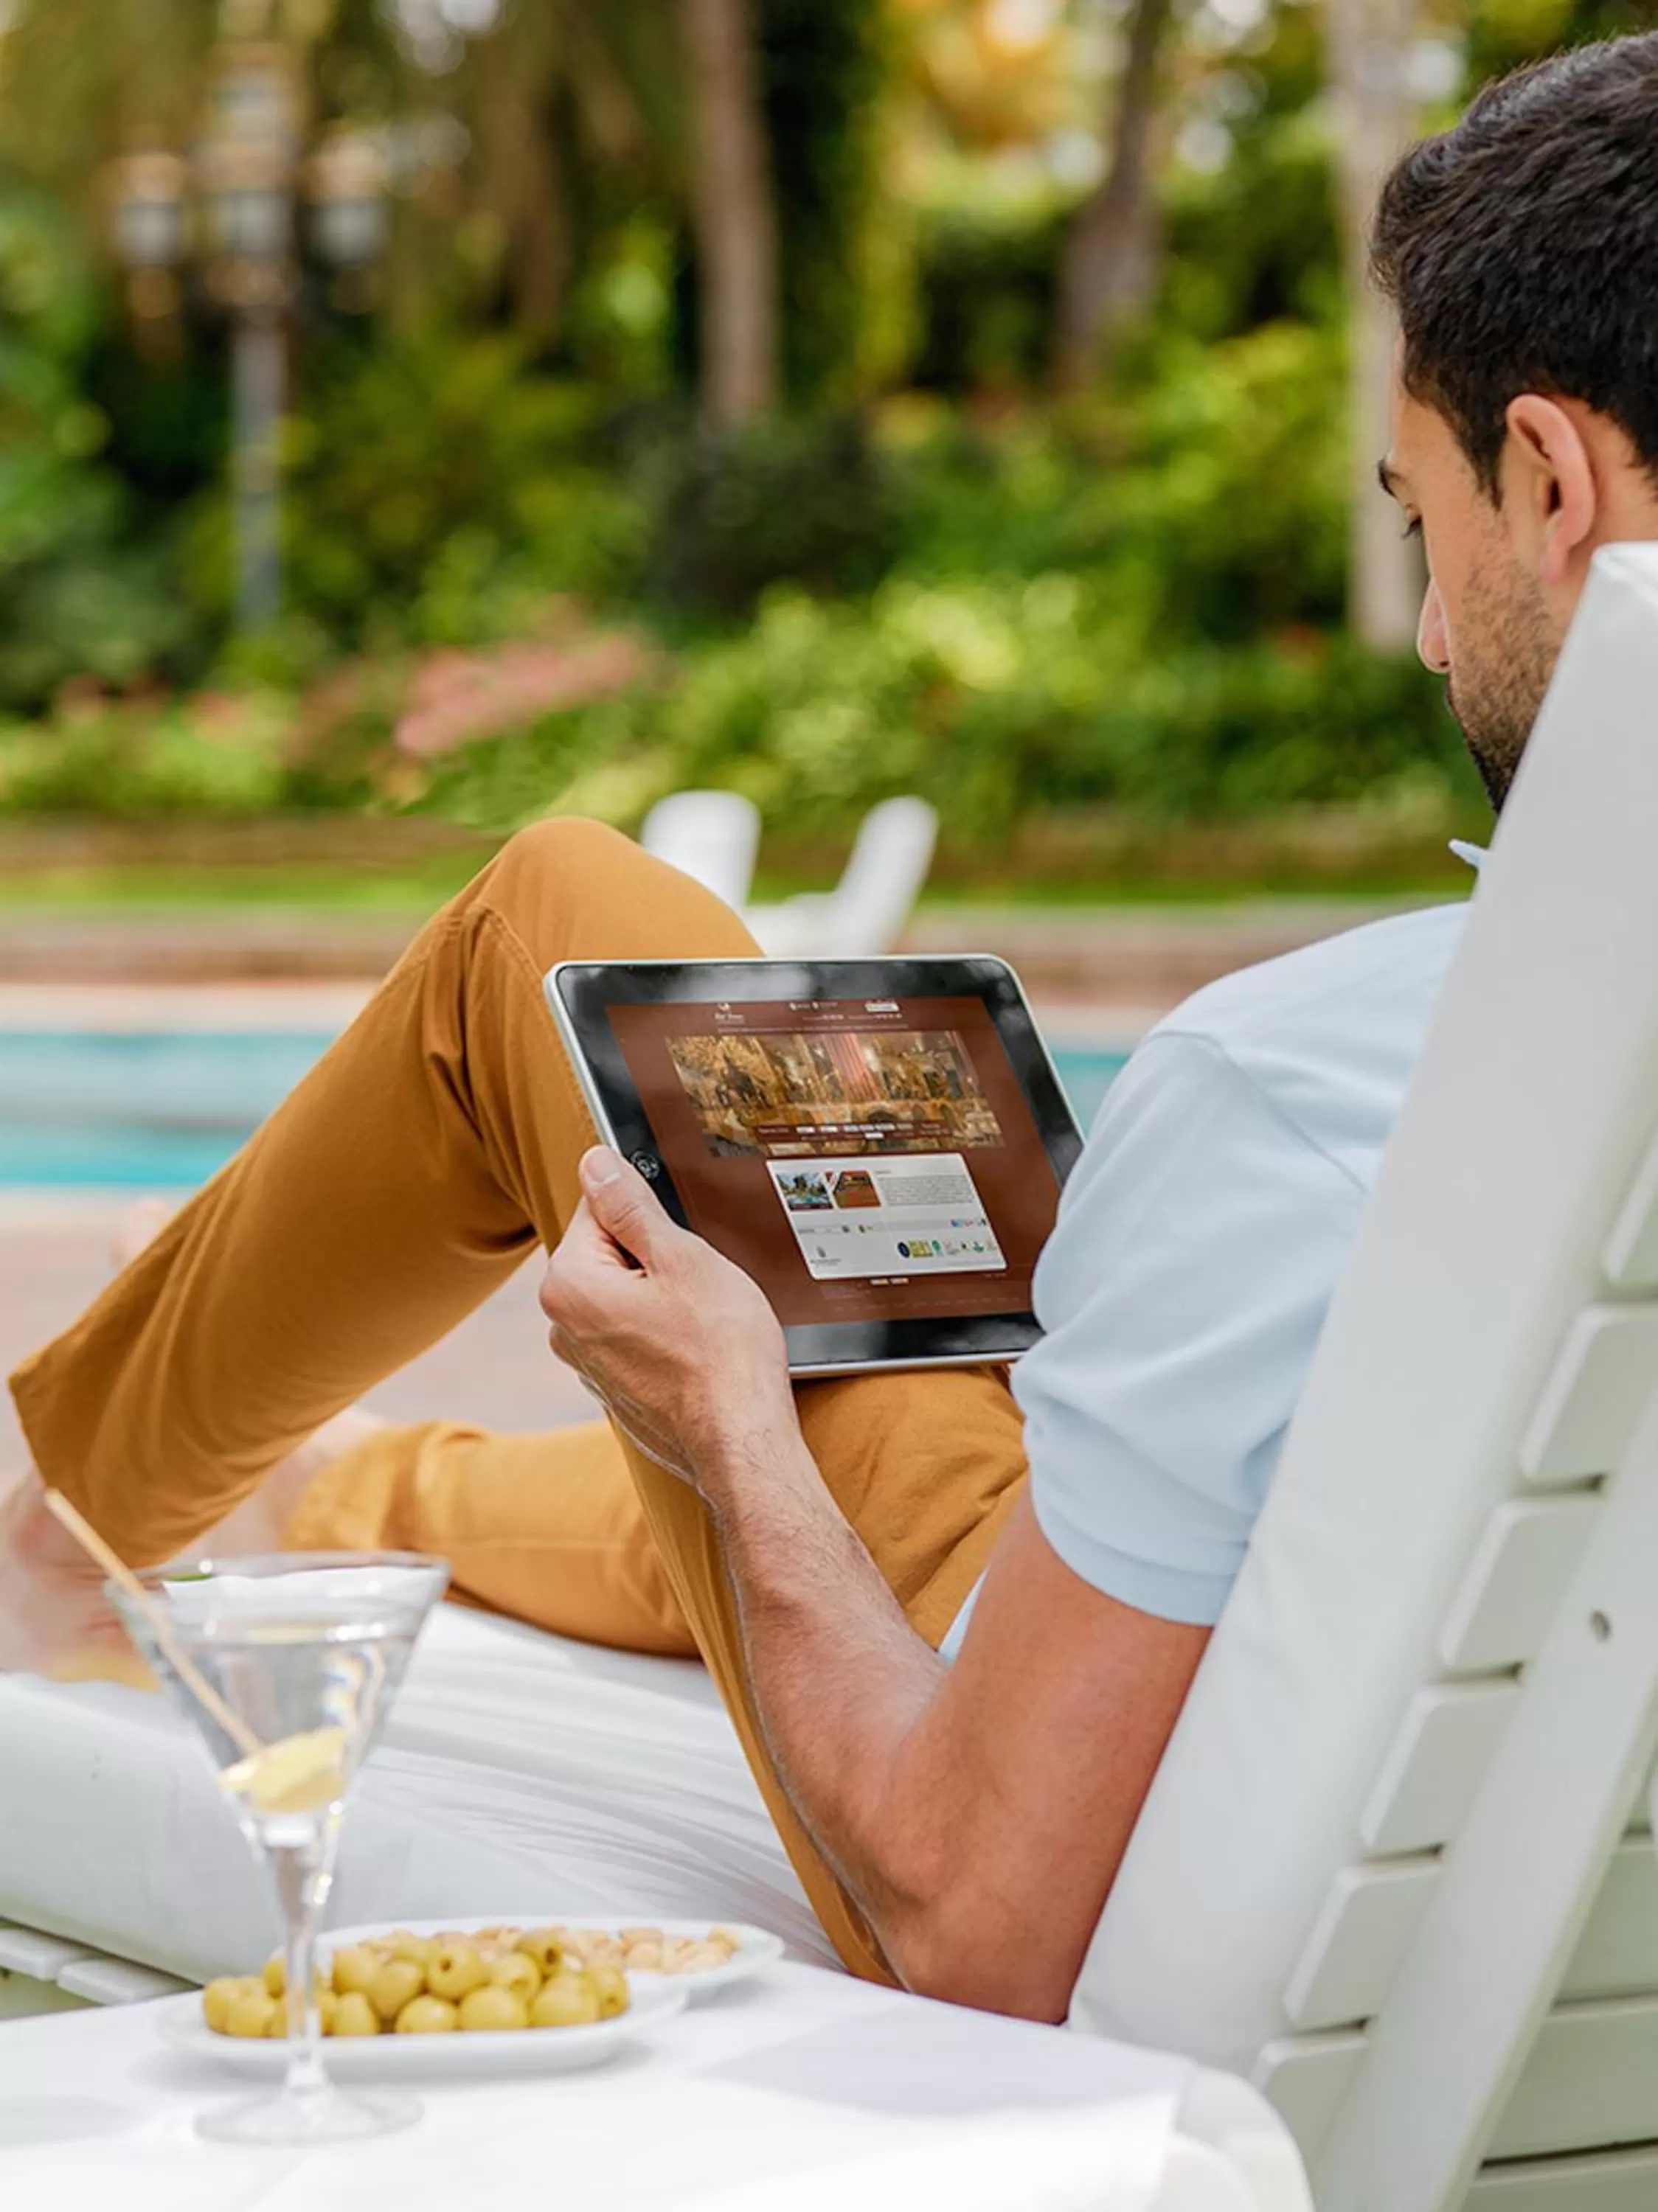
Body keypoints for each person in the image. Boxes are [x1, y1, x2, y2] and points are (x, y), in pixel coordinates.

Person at [6, 32, 1658, 2026]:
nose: (1419, 618)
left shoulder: (1295, 1090)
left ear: (1553, 481)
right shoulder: (1426, 1084)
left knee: (557, 922)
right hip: (1422, 1759)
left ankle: (47, 1522)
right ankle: (348, 1484)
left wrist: (722, 1434)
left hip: (1067, 1768)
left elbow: (982, 1923)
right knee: (905, 1339)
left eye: (1421, 520)